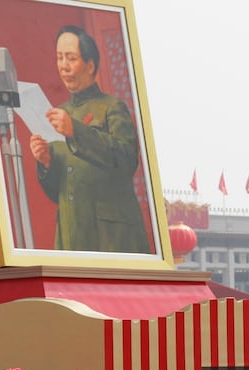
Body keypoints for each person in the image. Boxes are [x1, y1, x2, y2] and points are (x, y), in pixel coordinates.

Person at [30, 25, 150, 253]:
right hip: (71, 236)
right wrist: (45, 163)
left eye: (71, 58)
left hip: (110, 238)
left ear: (90, 65)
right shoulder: (58, 113)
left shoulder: (112, 107)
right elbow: (59, 191)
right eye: (59, 58)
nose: (63, 66)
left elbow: (126, 161)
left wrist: (76, 130)